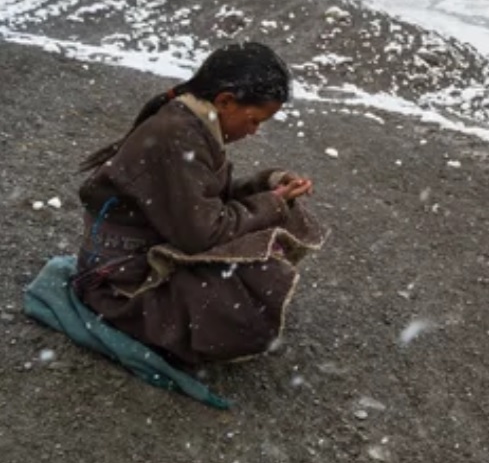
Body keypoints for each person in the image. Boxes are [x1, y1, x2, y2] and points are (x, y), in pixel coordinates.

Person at [74, 42, 324, 369]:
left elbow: (209, 196)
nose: (254, 131)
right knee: (247, 318)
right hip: (117, 282)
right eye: (253, 120)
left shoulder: (194, 122)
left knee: (257, 267)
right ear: (225, 101)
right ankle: (139, 315)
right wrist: (272, 203)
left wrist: (270, 184)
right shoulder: (177, 136)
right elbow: (203, 233)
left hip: (144, 252)